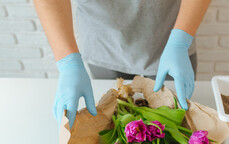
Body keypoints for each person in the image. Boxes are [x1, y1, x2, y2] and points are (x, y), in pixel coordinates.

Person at [34, 0, 211, 129]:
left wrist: (181, 40)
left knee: (173, 126)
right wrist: (68, 62)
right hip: (102, 42)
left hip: (171, 38)